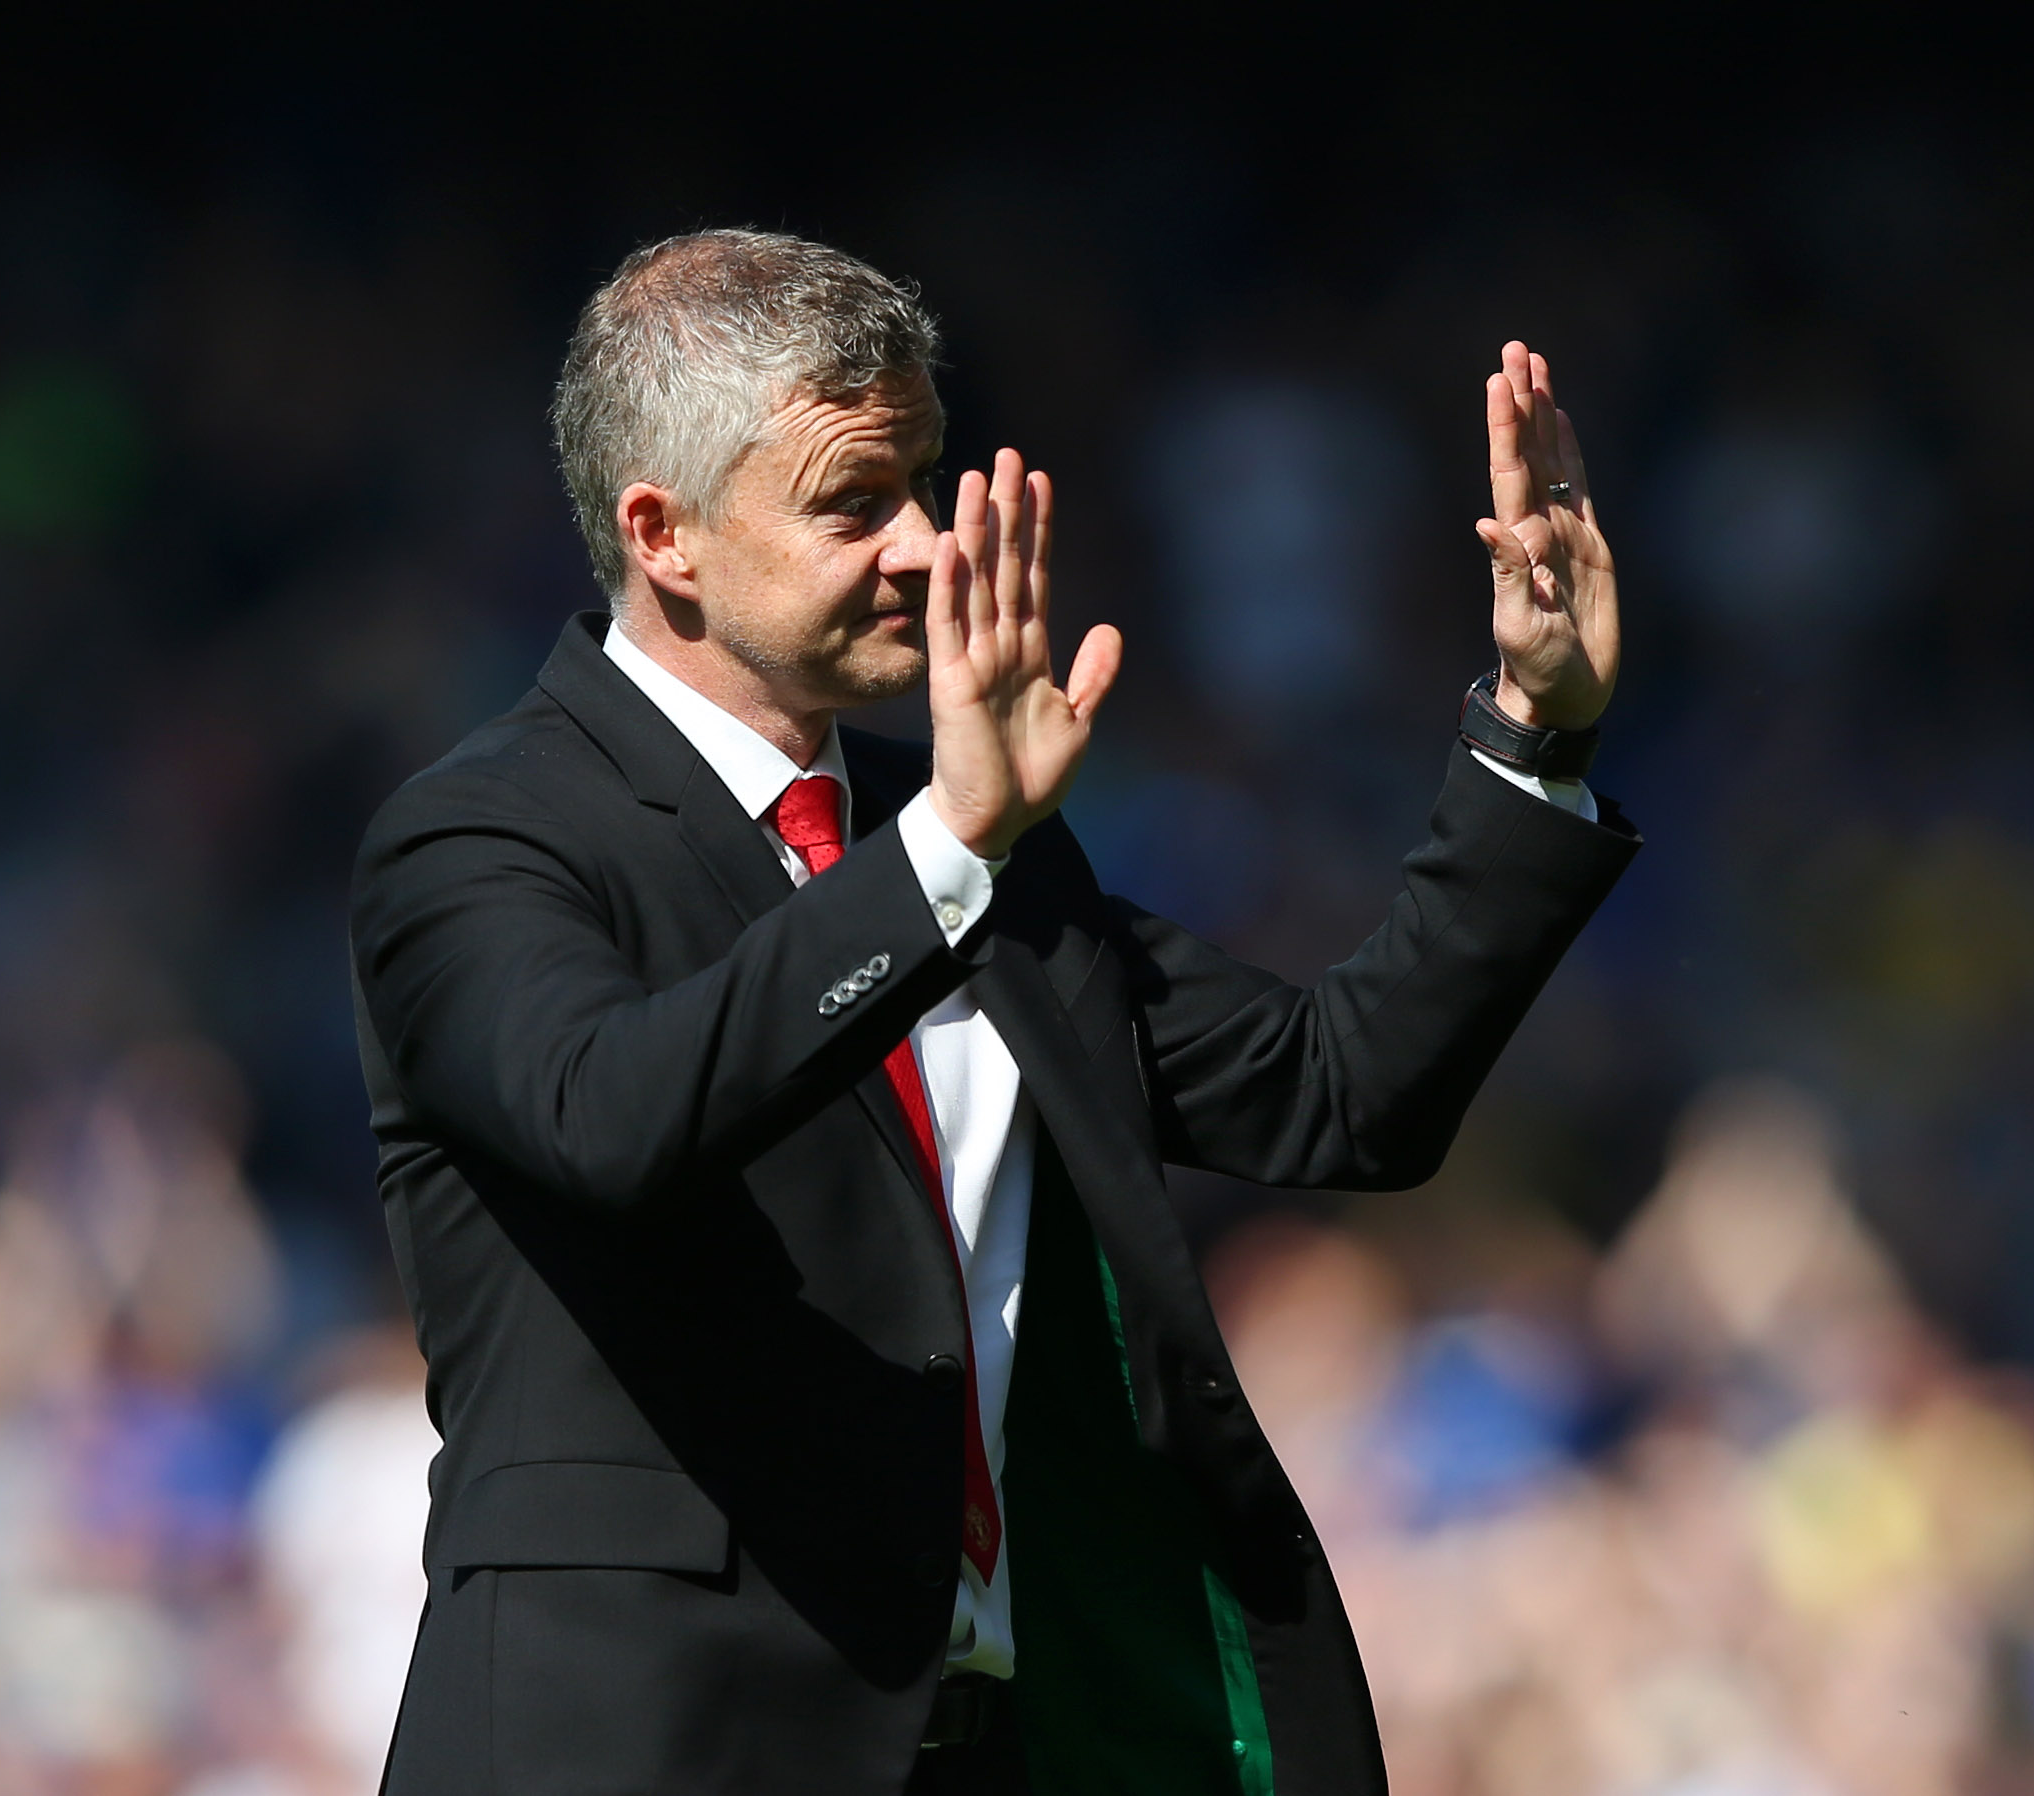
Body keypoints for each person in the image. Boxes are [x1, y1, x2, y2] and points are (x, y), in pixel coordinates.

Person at [348, 229, 1635, 1796]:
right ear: (662, 535)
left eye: (921, 483)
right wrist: (944, 854)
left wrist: (1531, 740)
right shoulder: (484, 836)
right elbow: (612, 1122)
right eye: (849, 502)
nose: (918, 545)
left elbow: (1337, 1094)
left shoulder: (969, 832)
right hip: (631, 1751)